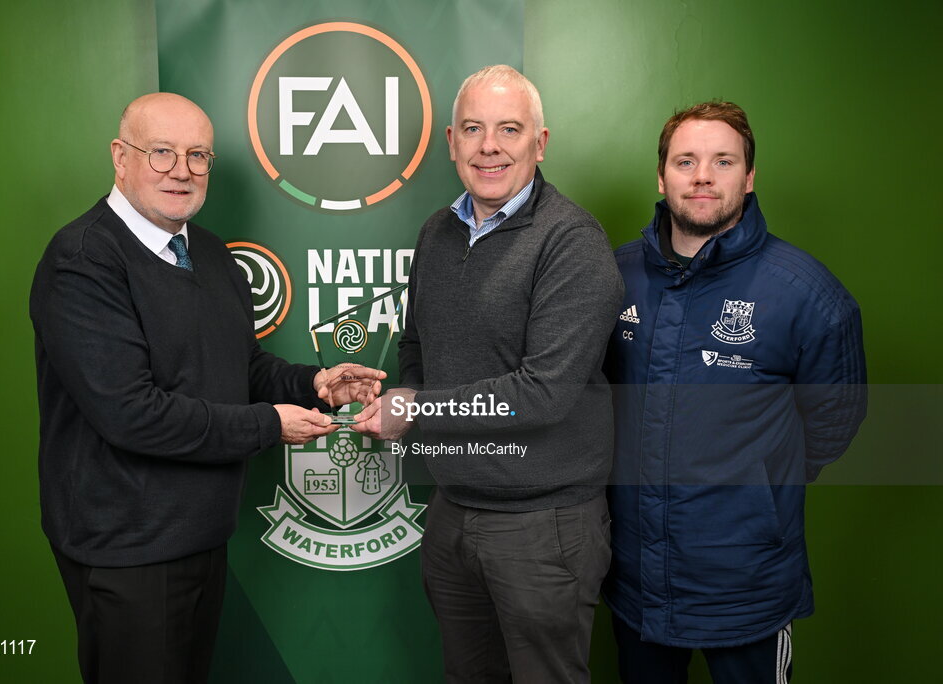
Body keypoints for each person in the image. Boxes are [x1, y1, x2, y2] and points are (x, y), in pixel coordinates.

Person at [29, 92, 385, 684]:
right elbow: (131, 414)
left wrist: (315, 384)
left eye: (198, 156)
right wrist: (271, 425)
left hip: (201, 533)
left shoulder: (213, 254)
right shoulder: (83, 261)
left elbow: (239, 369)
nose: (182, 171)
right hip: (126, 548)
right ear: (121, 158)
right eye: (161, 152)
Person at [353, 66, 624, 683]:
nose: (489, 146)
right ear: (451, 140)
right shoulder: (437, 233)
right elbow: (416, 349)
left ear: (541, 142)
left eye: (509, 129)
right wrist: (406, 395)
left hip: (543, 527)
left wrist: (417, 411)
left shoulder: (571, 241)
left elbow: (544, 392)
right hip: (453, 513)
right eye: (473, 129)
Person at [603, 101, 867, 683]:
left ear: (749, 178)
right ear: (661, 175)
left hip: (748, 590)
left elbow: (832, 424)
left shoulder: (807, 295)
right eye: (686, 161)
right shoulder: (612, 277)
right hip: (636, 583)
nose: (702, 176)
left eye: (723, 161)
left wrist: (758, 489)